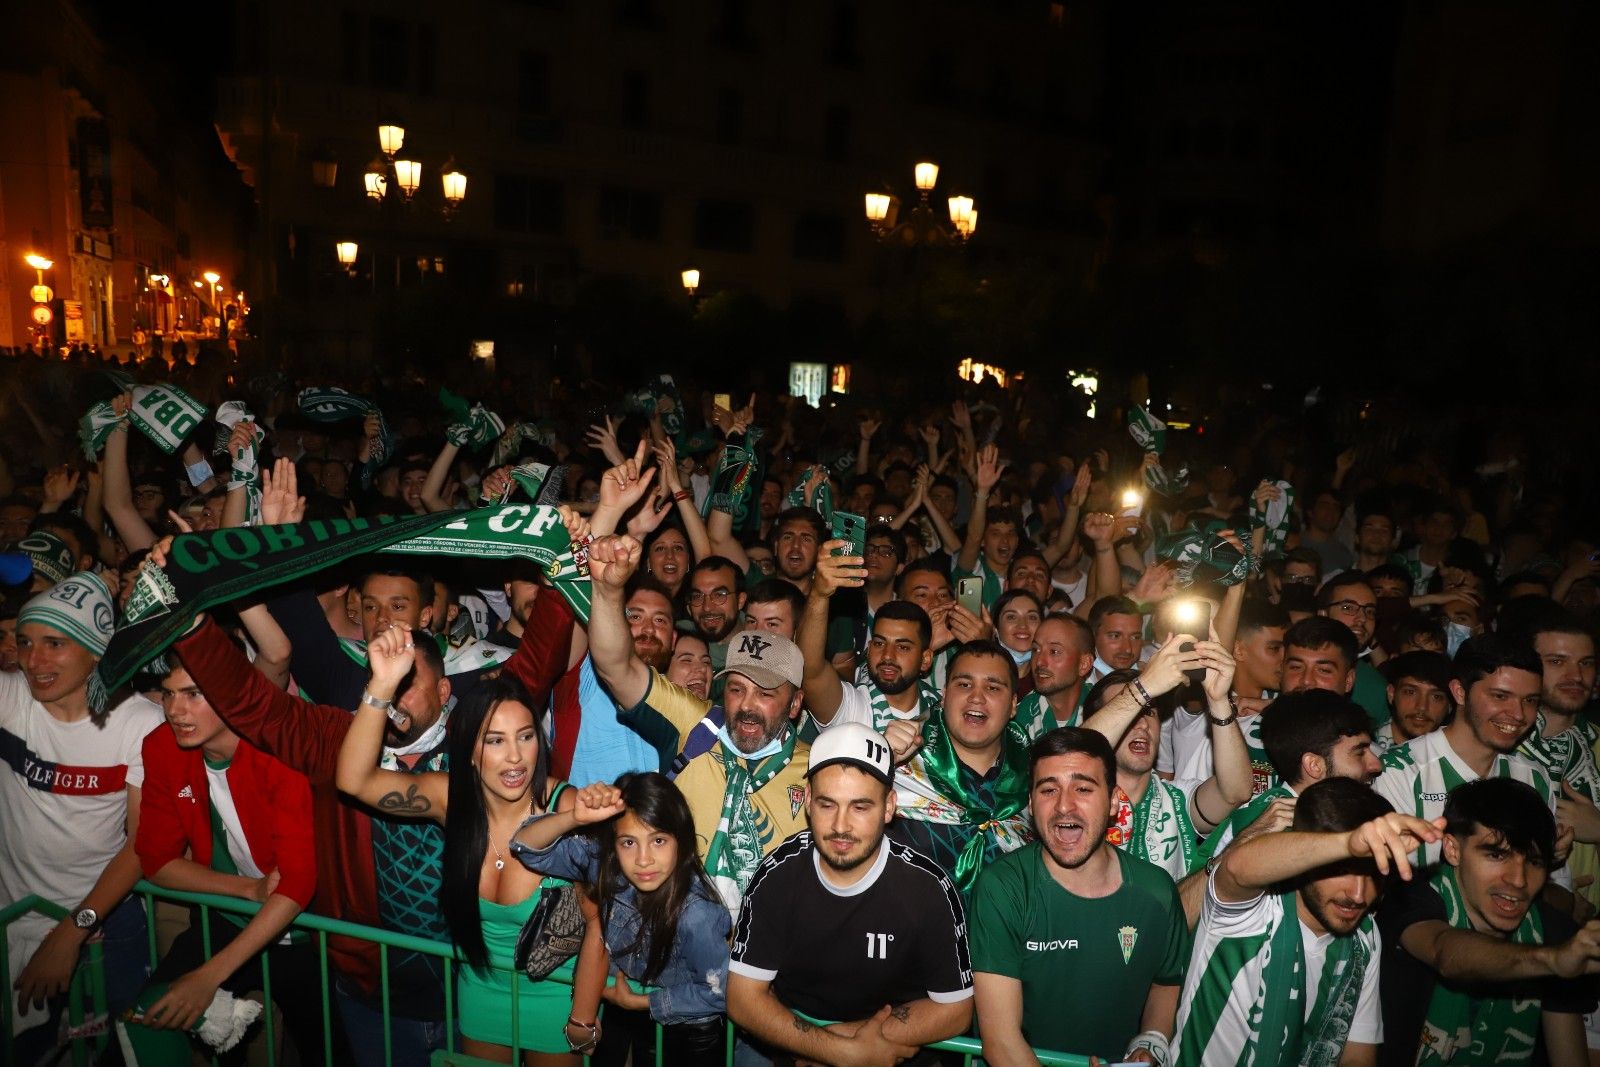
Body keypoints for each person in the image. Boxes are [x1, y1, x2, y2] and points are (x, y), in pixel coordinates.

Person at [335, 626, 603, 1064]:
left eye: (526, 736)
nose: (516, 757)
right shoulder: (453, 798)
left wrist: (584, 1016)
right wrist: (381, 687)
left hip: (557, 997)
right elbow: (353, 780)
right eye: (495, 741)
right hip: (479, 994)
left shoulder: (567, 807)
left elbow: (600, 922)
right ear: (471, 752)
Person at [124, 658, 348, 1062]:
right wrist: (247, 889)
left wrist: (210, 976)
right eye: (169, 694)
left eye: (193, 694)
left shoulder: (278, 748)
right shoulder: (161, 747)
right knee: (145, 1021)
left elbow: (297, 882)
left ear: (231, 694)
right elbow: (156, 860)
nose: (175, 709)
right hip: (226, 918)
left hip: (310, 933)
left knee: (329, 1052)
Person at [584, 532, 813, 915]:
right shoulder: (697, 725)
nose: (747, 707)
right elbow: (616, 666)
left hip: (764, 958)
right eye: (737, 689)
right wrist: (608, 593)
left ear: (795, 704)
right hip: (673, 939)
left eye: (766, 694)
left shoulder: (817, 770)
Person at [727, 722, 974, 1066]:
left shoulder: (928, 889)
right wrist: (836, 1051)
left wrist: (842, 1046)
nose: (841, 825)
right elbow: (741, 999)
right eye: (828, 805)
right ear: (809, 800)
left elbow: (957, 1009)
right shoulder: (778, 875)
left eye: (860, 807)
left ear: (889, 806)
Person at [3, 573, 163, 1059]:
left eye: (55, 643)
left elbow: (142, 845)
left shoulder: (138, 723)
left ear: (96, 650)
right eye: (26, 642)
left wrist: (72, 931)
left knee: (115, 1054)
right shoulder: (10, 698)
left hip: (103, 927)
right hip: (14, 923)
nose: (34, 660)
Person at [1171, 779, 1439, 1065]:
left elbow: (1357, 1056)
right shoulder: (1252, 908)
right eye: (1342, 869)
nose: (1358, 895)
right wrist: (1348, 843)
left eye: (1374, 872)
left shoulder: (1364, 936)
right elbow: (1236, 868)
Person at [971, 728, 1192, 1065]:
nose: (1064, 806)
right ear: (1030, 804)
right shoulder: (1003, 888)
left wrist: (1152, 1041)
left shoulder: (1156, 892)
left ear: (1114, 800)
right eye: (1048, 790)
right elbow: (1001, 1041)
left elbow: (1165, 982)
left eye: (1084, 788)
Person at [1377, 779, 1600, 1067]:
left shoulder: (1552, 931)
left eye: (1533, 861)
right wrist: (1553, 961)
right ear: (1453, 850)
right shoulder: (1413, 899)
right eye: (1496, 855)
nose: (1518, 880)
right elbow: (1444, 952)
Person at [511, 773, 730, 1065]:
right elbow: (525, 847)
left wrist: (641, 1002)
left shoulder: (696, 914)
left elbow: (722, 992)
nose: (643, 860)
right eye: (628, 842)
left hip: (690, 1035)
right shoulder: (607, 868)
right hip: (632, 1019)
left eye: (659, 841)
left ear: (683, 841)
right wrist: (575, 817)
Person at [1374, 635, 1564, 868]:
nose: (1519, 714)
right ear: (1459, 692)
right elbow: (1396, 890)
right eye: (1500, 696)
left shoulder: (1534, 777)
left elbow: (1555, 888)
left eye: (1530, 700)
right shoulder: (1400, 771)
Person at [1080, 630, 1252, 880]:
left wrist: (1218, 701)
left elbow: (1236, 791)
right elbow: (1076, 755)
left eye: (1150, 712)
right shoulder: (1071, 799)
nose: (1142, 725)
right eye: (1129, 713)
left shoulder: (1177, 799)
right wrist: (1145, 687)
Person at [887, 640, 1033, 897]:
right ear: (943, 696)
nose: (976, 697)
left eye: (992, 687)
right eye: (964, 685)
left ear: (1012, 705)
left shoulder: (1035, 775)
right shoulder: (901, 769)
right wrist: (880, 762)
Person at [798, 543, 937, 739]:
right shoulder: (854, 708)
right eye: (880, 644)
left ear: (925, 659)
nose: (888, 656)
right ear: (869, 649)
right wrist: (819, 595)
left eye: (903, 647)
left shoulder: (942, 711)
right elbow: (810, 670)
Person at [1316, 574, 1388, 730]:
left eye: (1369, 611)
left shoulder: (1377, 686)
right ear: (1323, 615)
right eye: (1348, 608)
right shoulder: (1287, 663)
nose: (1362, 618)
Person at [1012, 612, 1095, 741]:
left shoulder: (1104, 710)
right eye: (1035, 649)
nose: (1039, 662)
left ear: (1084, 664)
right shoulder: (1017, 720)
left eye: (1054, 651)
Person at [1376, 650, 1456, 754]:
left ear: (1450, 705)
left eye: (1436, 697)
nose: (1422, 706)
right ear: (1391, 694)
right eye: (1410, 692)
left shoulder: (1460, 759)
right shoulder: (1366, 751)